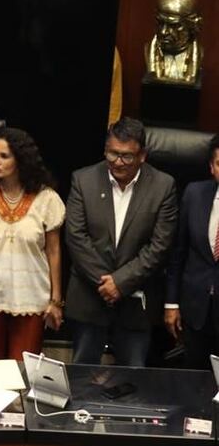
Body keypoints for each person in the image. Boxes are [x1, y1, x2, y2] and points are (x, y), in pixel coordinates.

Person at [65, 117, 177, 366]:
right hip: (89, 297)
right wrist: (105, 283)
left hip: (136, 304)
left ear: (142, 155)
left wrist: (121, 282)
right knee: (81, 377)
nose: (118, 162)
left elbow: (159, 246)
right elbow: (76, 237)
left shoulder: (163, 186)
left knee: (133, 380)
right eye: (112, 154)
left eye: (127, 156)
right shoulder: (83, 180)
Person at [0, 127, 65, 360]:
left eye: (4, 156)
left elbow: (54, 251)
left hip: (31, 298)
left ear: (21, 159)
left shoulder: (47, 198)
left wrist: (56, 300)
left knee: (22, 376)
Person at [165, 135, 219, 369]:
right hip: (196, 310)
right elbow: (178, 252)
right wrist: (171, 303)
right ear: (211, 167)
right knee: (193, 382)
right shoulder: (194, 194)